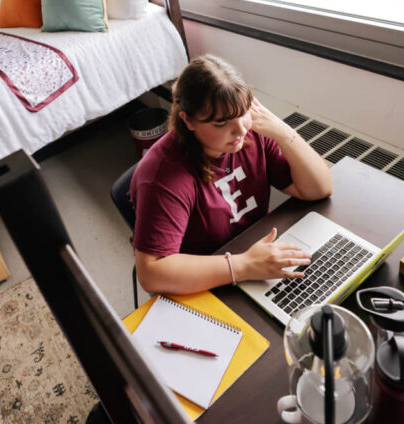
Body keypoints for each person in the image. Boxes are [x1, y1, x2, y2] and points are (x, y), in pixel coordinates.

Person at [131, 55, 334, 295]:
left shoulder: (252, 133)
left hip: (254, 256)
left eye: (244, 112)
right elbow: (151, 274)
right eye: (221, 124)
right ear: (188, 121)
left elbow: (318, 189)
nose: (241, 130)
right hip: (202, 280)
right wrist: (244, 265)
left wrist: (284, 133)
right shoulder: (162, 176)